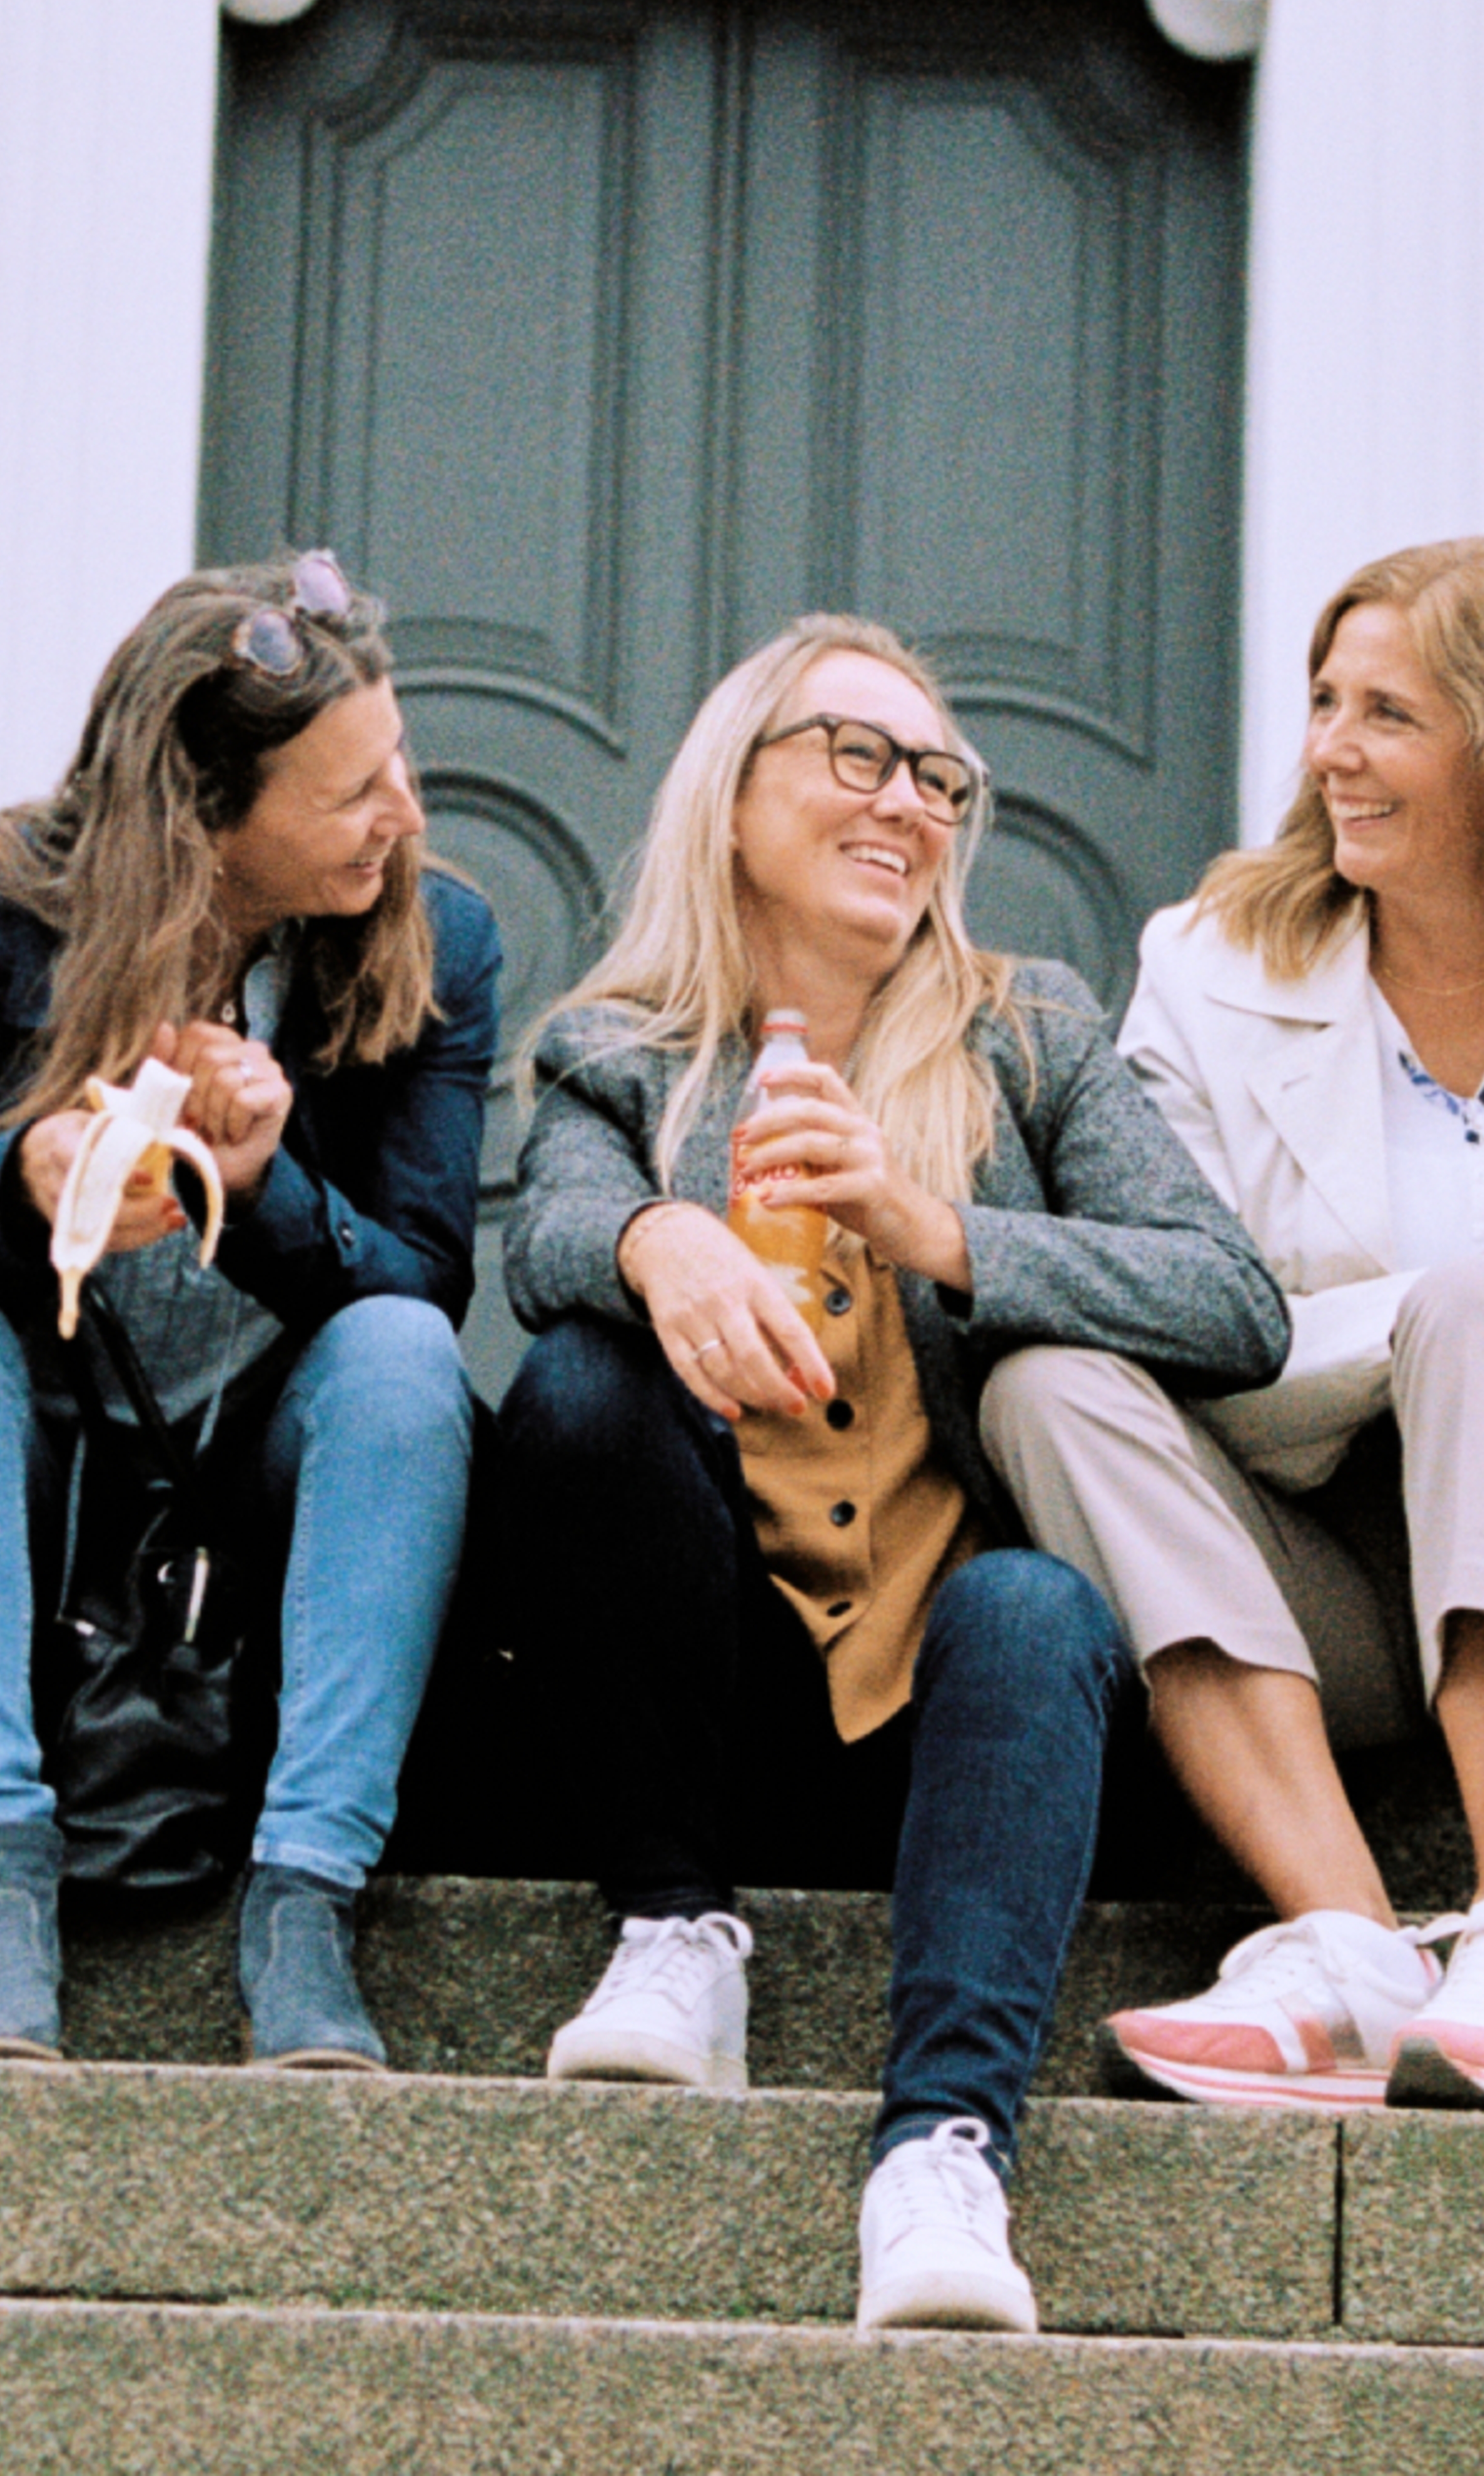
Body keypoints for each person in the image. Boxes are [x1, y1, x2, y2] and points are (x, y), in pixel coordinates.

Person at [499, 612, 1288, 2333]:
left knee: (1031, 1600)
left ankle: (943, 2150)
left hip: (979, 1719)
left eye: (938, 775)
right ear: (734, 797)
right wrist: (656, 1240)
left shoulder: (1035, 1040)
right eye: (855, 754)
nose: (908, 802)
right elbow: (544, 1237)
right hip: (732, 1707)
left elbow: (1234, 1302)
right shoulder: (621, 1056)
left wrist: (942, 1230)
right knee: (575, 1388)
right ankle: (676, 1935)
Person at [0, 552, 500, 2063]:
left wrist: (263, 1197)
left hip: (260, 1471)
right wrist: (24, 1181)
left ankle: (307, 1902)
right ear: (205, 814)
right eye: (350, 795)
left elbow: (426, 1282)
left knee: (396, 1351)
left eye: (399, 766)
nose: (400, 816)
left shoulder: (439, 943)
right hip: (37, 1452)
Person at [981, 538, 1484, 2112]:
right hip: (1320, 1566)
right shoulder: (1210, 968)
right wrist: (1411, 1327)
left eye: (1388, 713)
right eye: (1326, 701)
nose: (1330, 748)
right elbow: (1185, 1318)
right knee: (1047, 1384)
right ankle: (1348, 1942)